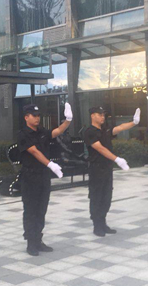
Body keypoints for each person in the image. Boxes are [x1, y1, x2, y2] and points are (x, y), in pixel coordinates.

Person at [17, 103, 72, 256]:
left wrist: (68, 120)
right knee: (31, 210)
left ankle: (38, 239)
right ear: (26, 117)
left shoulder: (42, 131)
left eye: (38, 115)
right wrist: (50, 164)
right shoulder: (23, 134)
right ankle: (31, 242)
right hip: (30, 176)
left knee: (41, 209)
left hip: (43, 176)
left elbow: (57, 131)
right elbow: (34, 151)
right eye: (34, 115)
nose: (37, 118)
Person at [84, 106, 140, 236]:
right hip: (96, 169)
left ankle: (103, 223)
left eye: (103, 115)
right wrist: (117, 159)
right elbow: (100, 148)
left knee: (106, 197)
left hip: (107, 169)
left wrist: (134, 122)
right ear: (92, 116)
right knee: (97, 197)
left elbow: (119, 128)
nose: (102, 117)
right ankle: (97, 225)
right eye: (100, 114)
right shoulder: (90, 132)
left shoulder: (105, 130)